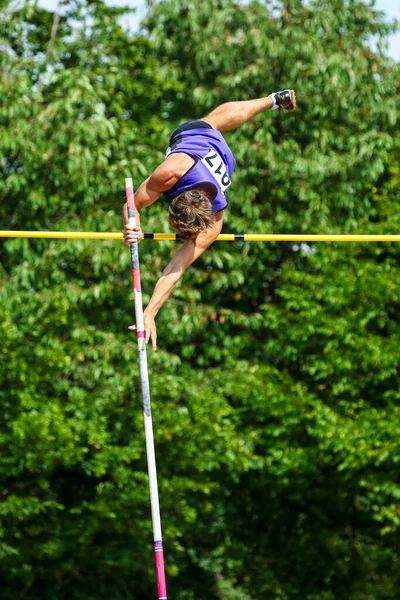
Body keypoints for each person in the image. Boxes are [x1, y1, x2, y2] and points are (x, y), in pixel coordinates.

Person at [123, 90, 296, 350]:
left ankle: (272, 100)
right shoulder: (170, 171)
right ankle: (272, 100)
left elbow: (175, 269)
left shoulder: (214, 222)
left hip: (217, 156)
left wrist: (151, 311)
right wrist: (133, 226)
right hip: (198, 139)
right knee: (211, 122)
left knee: (215, 122)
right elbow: (132, 204)